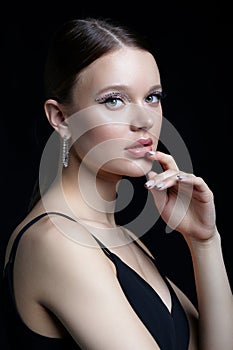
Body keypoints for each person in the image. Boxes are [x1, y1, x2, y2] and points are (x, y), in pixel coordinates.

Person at [2, 17, 233, 350]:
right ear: (61, 119)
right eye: (114, 100)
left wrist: (205, 242)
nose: (144, 120)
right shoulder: (57, 243)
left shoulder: (122, 239)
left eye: (152, 97)